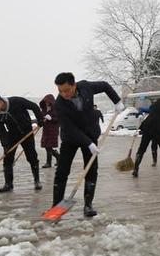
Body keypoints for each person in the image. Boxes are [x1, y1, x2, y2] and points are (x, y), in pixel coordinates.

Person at [52, 72, 124, 217]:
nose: (63, 93)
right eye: (60, 91)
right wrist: (88, 143)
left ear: (74, 85)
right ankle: (56, 206)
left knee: (91, 169)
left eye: (66, 90)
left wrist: (116, 101)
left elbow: (104, 85)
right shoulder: (59, 104)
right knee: (62, 171)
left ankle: (88, 205)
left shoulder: (85, 87)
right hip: (70, 138)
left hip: (90, 132)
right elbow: (69, 127)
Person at [0, 93, 45, 192]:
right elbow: (1, 131)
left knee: (31, 156)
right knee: (7, 158)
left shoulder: (16, 101)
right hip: (11, 135)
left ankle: (37, 181)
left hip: (27, 133)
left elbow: (34, 106)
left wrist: (40, 119)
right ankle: (8, 184)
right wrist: (5, 145)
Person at [39, 94, 60, 168]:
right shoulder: (44, 109)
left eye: (48, 102)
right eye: (45, 101)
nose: (46, 103)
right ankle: (58, 157)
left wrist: (51, 119)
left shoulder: (56, 109)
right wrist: (40, 121)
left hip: (53, 130)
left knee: (49, 146)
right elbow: (41, 118)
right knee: (46, 146)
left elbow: (59, 120)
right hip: (46, 130)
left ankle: (48, 163)